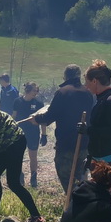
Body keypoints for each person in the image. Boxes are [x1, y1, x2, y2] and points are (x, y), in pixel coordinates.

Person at [32, 65, 94, 193]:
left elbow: (51, 115)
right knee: (80, 176)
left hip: (66, 143)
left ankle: (73, 199)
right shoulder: (88, 92)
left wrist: (37, 119)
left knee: (65, 174)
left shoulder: (63, 92)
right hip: (84, 142)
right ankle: (81, 198)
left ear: (65, 76)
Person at [82, 60, 111, 222]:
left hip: (109, 159)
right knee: (99, 199)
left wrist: (89, 130)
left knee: (108, 199)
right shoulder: (101, 100)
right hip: (98, 157)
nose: (86, 86)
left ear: (95, 81)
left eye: (87, 82)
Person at [12, 81, 47, 188]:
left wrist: (44, 135)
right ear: (27, 90)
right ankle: (19, 174)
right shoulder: (17, 101)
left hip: (33, 133)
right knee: (18, 155)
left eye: (37, 91)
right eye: (34, 91)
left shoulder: (39, 103)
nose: (36, 93)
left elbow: (43, 121)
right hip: (19, 133)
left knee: (33, 156)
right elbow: (14, 116)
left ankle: (33, 177)